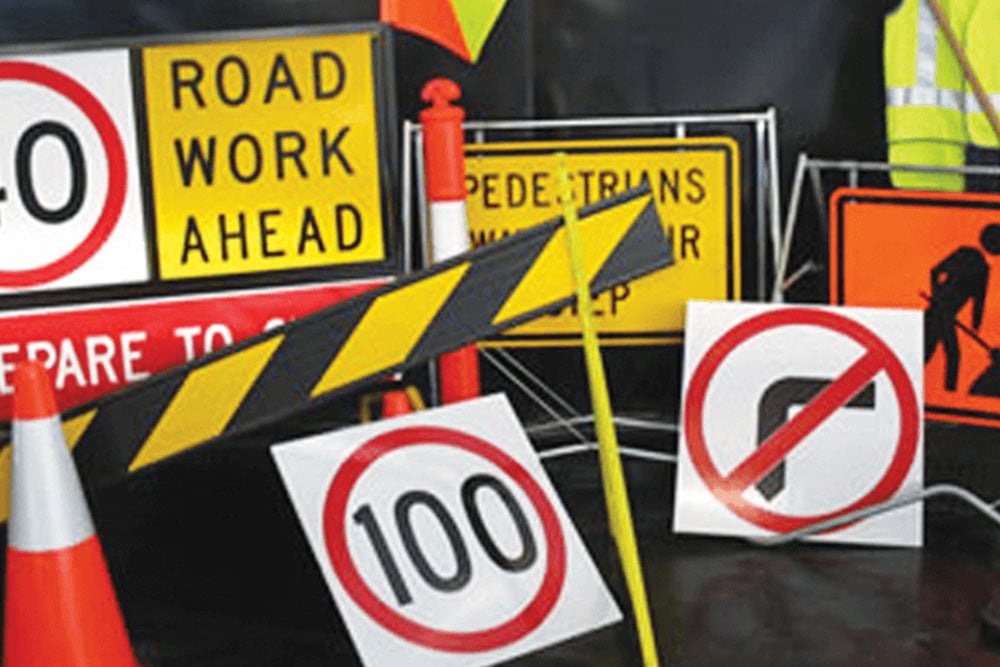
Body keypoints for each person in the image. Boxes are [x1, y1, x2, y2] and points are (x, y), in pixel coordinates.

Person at [925, 222, 1000, 390]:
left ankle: (948, 394)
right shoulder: (964, 254)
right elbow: (935, 271)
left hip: (947, 315)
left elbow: (979, 300)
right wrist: (938, 298)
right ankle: (948, 395)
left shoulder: (983, 269)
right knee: (947, 354)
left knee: (942, 354)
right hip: (937, 313)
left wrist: (976, 324)